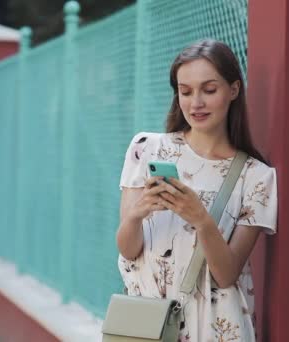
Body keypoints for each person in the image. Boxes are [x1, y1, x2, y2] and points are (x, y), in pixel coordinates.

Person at [116, 39, 278, 342]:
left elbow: (226, 274)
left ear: (233, 89)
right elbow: (128, 250)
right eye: (185, 91)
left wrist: (201, 219)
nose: (195, 103)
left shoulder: (256, 176)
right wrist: (137, 215)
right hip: (145, 325)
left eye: (209, 89)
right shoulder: (147, 149)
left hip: (215, 328)